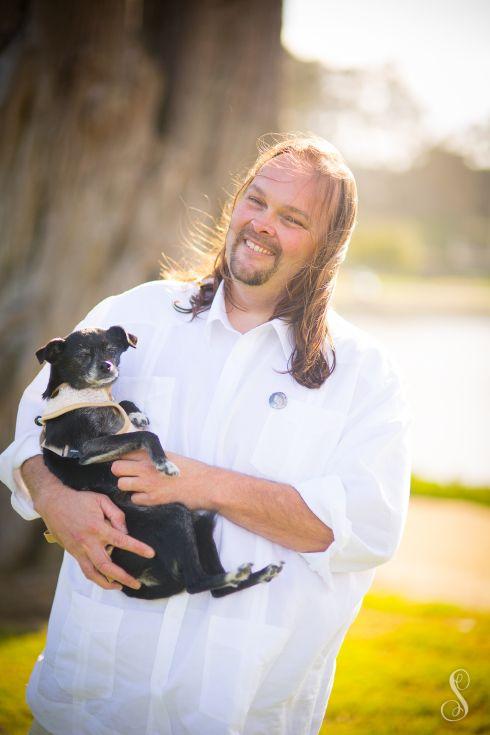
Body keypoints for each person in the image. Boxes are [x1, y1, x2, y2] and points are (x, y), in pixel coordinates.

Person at [0, 133, 411, 735]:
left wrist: (199, 484)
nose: (261, 224)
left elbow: (364, 528)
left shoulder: (363, 374)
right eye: (256, 200)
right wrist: (56, 500)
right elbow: (32, 432)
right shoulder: (137, 313)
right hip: (85, 705)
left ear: (328, 248)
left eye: (291, 218)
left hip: (235, 711)